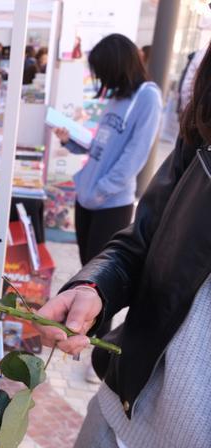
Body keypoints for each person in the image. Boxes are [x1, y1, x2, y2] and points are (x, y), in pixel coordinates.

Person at [37, 43, 211, 448]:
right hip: (119, 434)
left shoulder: (147, 97)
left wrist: (103, 189)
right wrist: (93, 286)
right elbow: (142, 241)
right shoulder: (203, 130)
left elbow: (130, 160)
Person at [52, 33, 162, 340]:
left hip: (111, 202)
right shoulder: (118, 97)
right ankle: (84, 337)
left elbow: (134, 155)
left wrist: (102, 188)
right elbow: (99, 146)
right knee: (88, 272)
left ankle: (99, 346)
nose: (100, 77)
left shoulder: (147, 97)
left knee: (102, 283)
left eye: (102, 69)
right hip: (88, 198)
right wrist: (69, 139)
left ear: (117, 64)